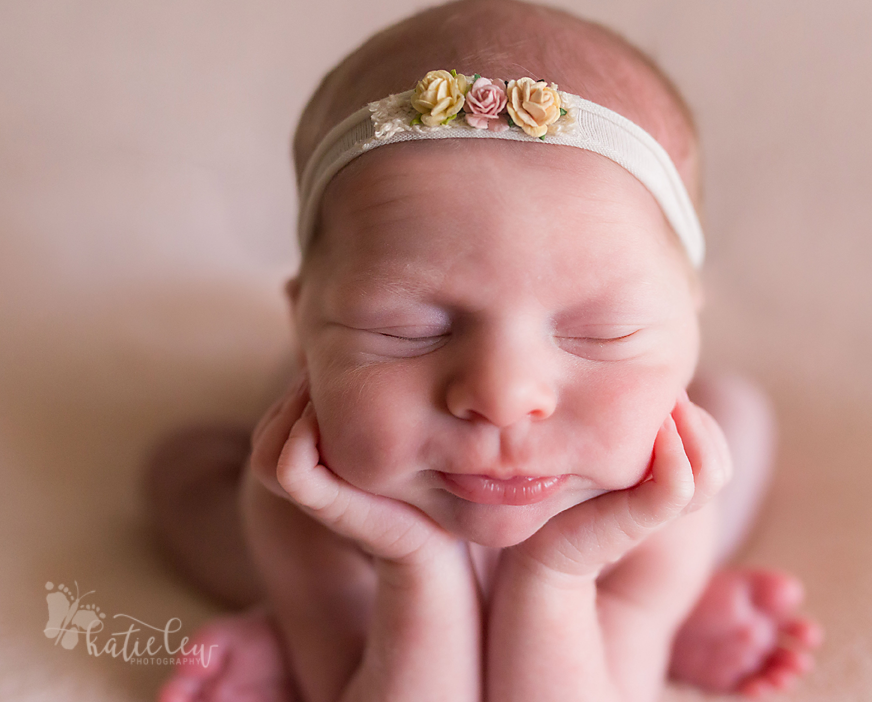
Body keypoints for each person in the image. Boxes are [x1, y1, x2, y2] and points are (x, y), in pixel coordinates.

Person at [146, 1, 822, 699]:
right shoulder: (306, 512)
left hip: (613, 532)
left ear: (689, 320)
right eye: (407, 330)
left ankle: (657, 613)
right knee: (191, 487)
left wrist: (557, 572)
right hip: (347, 524)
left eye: (600, 332)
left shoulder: (655, 507)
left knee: (733, 417)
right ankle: (287, 619)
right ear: (302, 319)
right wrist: (414, 565)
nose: (501, 395)